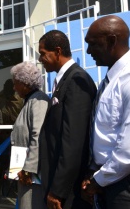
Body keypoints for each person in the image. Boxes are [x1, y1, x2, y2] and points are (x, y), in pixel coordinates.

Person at [81, 15, 130, 209]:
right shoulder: (111, 80)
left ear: (111, 41)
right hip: (109, 177)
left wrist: (98, 180)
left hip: (127, 183)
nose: (88, 51)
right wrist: (95, 174)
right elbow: (105, 134)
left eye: (92, 44)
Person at [38, 30, 97, 209]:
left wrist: (58, 190)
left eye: (42, 54)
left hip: (68, 192)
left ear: (57, 51)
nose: (40, 59)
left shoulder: (76, 80)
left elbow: (73, 142)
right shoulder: (64, 79)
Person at [9, 61, 50, 209]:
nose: (14, 88)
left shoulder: (39, 101)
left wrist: (28, 169)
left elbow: (38, 135)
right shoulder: (29, 101)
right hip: (24, 172)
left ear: (25, 82)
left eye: (16, 83)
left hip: (32, 176)